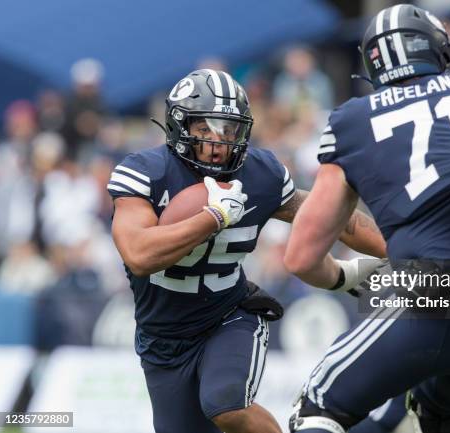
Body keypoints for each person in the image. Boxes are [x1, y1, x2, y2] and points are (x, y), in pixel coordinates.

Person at [284, 4, 450, 433]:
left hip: (432, 295)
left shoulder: (352, 121)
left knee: (317, 407)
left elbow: (301, 258)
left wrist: (350, 277)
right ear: (439, 50)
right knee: (442, 411)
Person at [108, 69, 387, 433]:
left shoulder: (259, 173)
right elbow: (138, 255)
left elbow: (334, 217)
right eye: (204, 129)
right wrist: (215, 216)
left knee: (227, 405)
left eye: (228, 129)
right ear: (179, 127)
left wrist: (402, 247)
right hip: (162, 337)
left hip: (228, 316)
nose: (217, 142)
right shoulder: (147, 172)